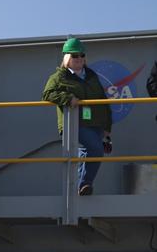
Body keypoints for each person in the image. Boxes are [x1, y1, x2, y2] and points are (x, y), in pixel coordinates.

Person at [42, 37, 112, 195]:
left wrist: (107, 127)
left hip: (96, 123)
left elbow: (103, 100)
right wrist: (68, 99)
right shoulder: (59, 76)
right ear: (67, 58)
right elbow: (47, 94)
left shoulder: (91, 75)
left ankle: (81, 187)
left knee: (89, 151)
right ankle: (85, 183)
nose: (79, 58)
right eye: (75, 56)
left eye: (81, 55)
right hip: (75, 123)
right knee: (96, 149)